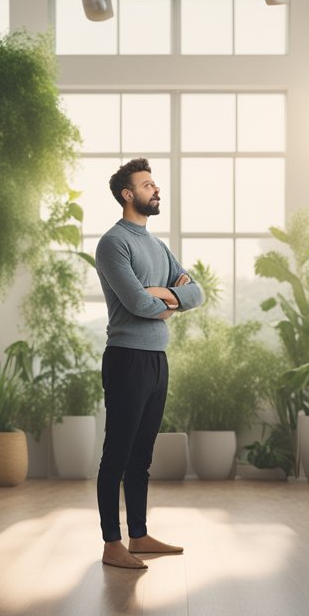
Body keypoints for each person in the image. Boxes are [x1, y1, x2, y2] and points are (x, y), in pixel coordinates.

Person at [94, 158, 203, 570]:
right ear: (128, 194)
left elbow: (197, 293)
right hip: (126, 359)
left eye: (154, 184)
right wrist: (167, 298)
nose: (156, 190)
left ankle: (138, 536)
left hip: (157, 359)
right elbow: (137, 304)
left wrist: (160, 296)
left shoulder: (158, 246)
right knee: (116, 455)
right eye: (147, 185)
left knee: (142, 455)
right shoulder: (113, 243)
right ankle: (111, 543)